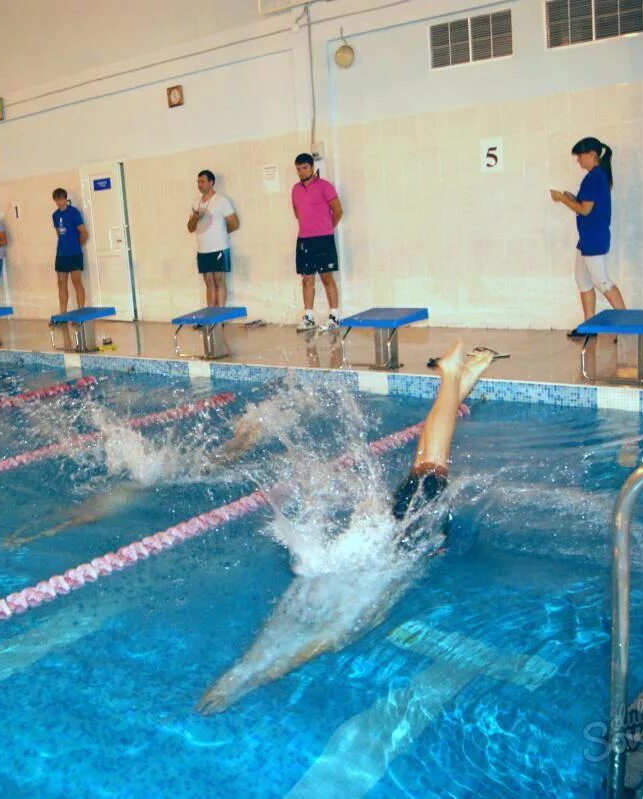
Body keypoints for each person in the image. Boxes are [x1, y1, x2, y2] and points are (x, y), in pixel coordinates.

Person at [197, 340, 496, 715]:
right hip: (394, 533)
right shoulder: (335, 594)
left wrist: (243, 679)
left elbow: (305, 646)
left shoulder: (341, 613)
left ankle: (453, 375)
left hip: (399, 536)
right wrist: (241, 678)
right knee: (428, 457)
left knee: (431, 460)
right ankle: (460, 379)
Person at [551, 136, 626, 338]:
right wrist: (572, 198)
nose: (578, 161)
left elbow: (584, 210)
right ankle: (590, 326)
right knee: (583, 281)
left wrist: (562, 200)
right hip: (587, 238)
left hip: (594, 238)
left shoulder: (595, 177)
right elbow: (587, 205)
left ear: (591, 155)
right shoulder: (597, 176)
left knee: (602, 282)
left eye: (580, 156)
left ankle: (627, 327)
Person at [292, 153, 344, 332]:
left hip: (323, 239)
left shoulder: (325, 186)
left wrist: (327, 228)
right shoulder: (295, 189)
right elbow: (298, 213)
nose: (301, 172)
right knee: (307, 279)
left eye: (304, 168)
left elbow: (337, 210)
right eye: (298, 169)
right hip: (304, 240)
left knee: (327, 278)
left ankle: (335, 316)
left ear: (312, 167)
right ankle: (308, 317)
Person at [186, 170, 239, 307]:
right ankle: (210, 315)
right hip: (203, 249)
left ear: (211, 182)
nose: (199, 184)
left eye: (202, 181)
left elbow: (234, 223)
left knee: (219, 280)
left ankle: (219, 317)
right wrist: (196, 218)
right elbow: (190, 228)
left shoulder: (221, 200)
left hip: (219, 248)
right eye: (198, 182)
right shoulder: (195, 203)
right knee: (209, 282)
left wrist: (220, 234)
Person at [51, 188, 88, 315]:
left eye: (61, 199)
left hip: (74, 253)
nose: (59, 202)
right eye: (57, 200)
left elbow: (84, 233)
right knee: (61, 283)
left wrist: (77, 246)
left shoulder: (74, 213)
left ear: (66, 199)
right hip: (61, 254)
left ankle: (81, 312)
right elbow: (59, 234)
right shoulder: (55, 215)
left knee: (76, 282)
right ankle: (63, 314)